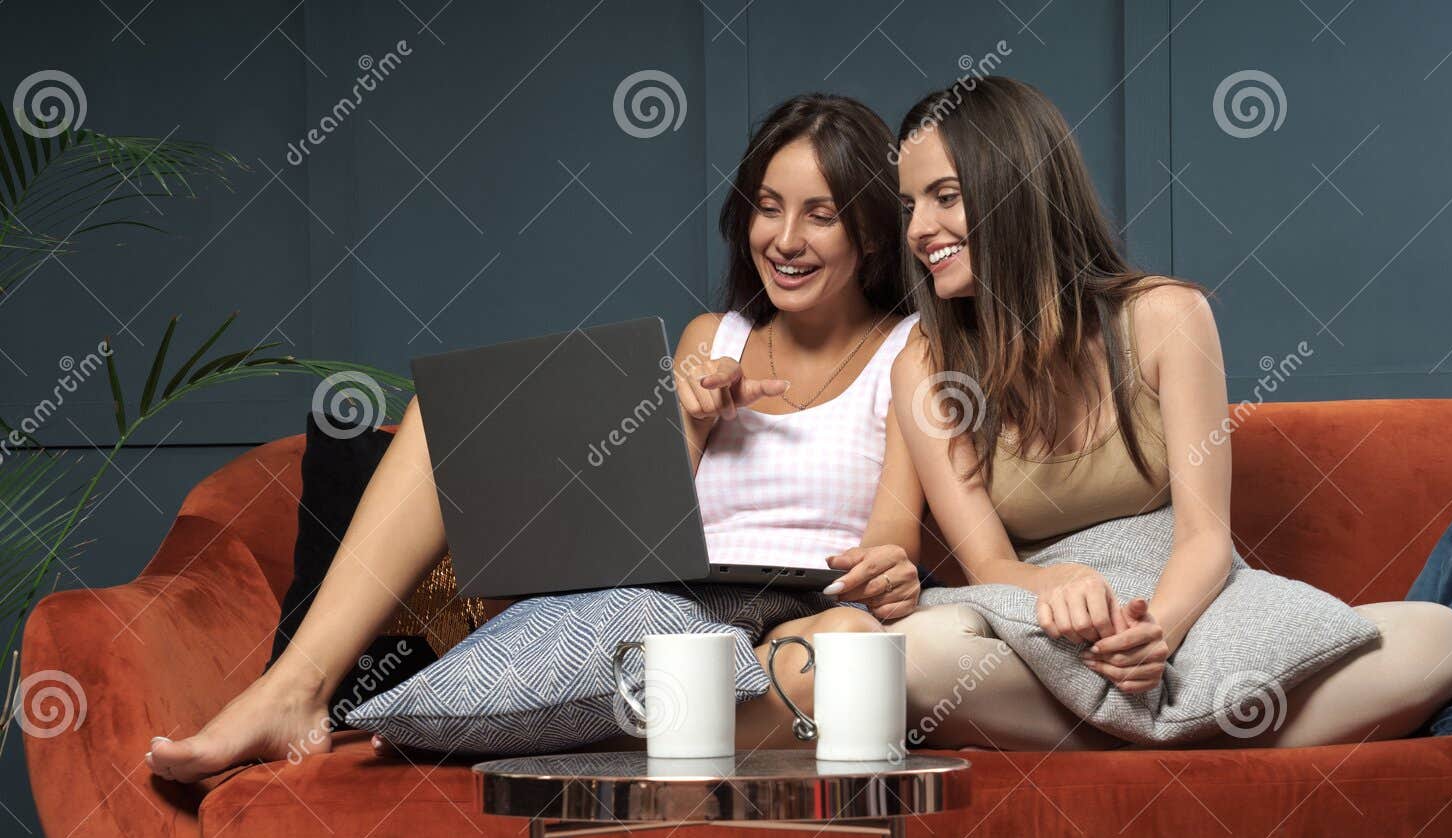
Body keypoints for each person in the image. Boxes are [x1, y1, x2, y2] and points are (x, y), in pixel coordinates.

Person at [148, 93, 927, 783]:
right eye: (767, 207)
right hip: (664, 604)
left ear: (871, 235)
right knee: (436, 421)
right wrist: (688, 422)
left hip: (797, 612)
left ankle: (540, 738)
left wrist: (884, 574)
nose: (785, 239)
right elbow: (638, 530)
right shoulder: (711, 336)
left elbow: (891, 539)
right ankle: (296, 689)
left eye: (819, 214)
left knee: (847, 653)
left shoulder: (911, 350)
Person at [888, 76, 1452, 751]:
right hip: (1039, 622)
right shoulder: (925, 366)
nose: (918, 230)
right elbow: (988, 563)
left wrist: (1151, 636)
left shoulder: (1167, 316)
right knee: (912, 654)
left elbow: (1204, 539)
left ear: (1015, 191)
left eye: (945, 198)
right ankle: (1201, 729)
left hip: (1188, 606)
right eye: (909, 205)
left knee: (1441, 637)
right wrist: (1058, 582)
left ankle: (1134, 726)